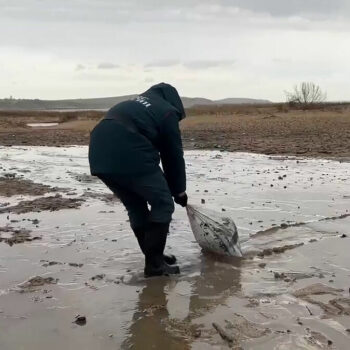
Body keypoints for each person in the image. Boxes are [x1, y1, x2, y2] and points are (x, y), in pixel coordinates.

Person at [89, 83, 187, 277]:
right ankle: (155, 265)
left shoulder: (134, 104)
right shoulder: (167, 112)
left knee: (136, 206)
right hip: (128, 149)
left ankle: (154, 259)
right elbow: (173, 155)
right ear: (175, 102)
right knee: (163, 203)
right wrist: (179, 191)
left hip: (98, 155)